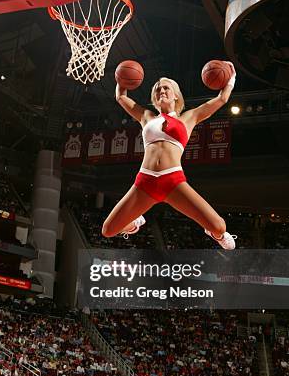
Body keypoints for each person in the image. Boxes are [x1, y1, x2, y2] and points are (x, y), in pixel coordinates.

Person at [102, 69, 237, 248]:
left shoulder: (188, 118)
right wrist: (121, 77)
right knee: (108, 230)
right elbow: (121, 97)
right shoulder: (146, 116)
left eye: (166, 88)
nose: (161, 91)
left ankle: (217, 236)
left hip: (173, 180)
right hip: (145, 180)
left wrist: (231, 77)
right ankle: (135, 223)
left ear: (175, 96)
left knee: (219, 227)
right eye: (157, 90)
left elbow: (221, 99)